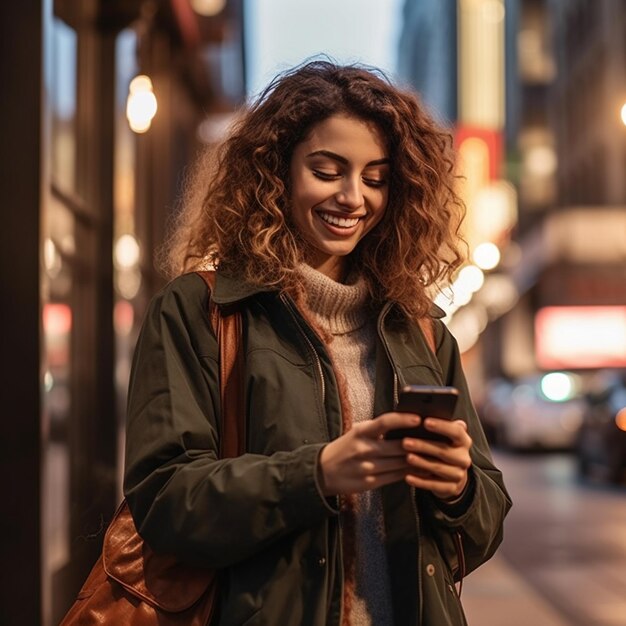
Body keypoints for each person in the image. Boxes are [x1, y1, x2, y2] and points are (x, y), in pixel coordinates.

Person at [123, 60, 511, 626]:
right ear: (275, 172)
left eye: (376, 178)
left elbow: (486, 524)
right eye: (328, 171)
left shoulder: (421, 330)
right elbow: (164, 501)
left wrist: (458, 490)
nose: (354, 198)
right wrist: (318, 474)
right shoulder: (201, 312)